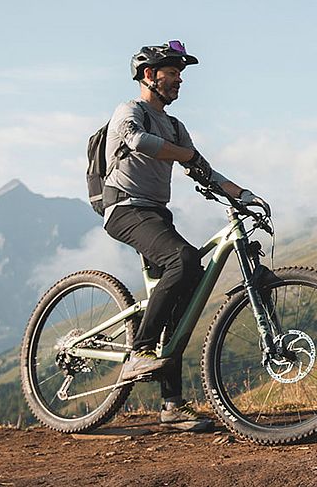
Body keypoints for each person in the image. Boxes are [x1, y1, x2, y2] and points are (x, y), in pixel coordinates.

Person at [103, 40, 266, 432]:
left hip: (156, 212)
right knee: (185, 259)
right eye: (172, 73)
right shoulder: (130, 111)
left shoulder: (176, 126)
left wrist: (244, 195)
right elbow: (137, 141)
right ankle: (138, 352)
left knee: (187, 286)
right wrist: (185, 156)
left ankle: (172, 406)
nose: (178, 81)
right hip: (125, 209)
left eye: (180, 74)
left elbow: (204, 171)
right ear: (149, 76)